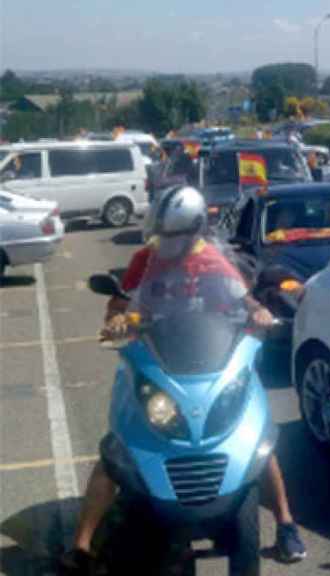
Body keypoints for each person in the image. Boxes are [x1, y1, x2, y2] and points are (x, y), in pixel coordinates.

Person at [61, 186, 306, 573]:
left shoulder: (213, 263)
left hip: (213, 365)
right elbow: (119, 304)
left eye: (172, 237)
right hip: (157, 365)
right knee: (115, 451)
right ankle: (82, 544)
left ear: (193, 232)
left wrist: (259, 313)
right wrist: (118, 320)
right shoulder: (146, 259)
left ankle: (287, 525)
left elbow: (247, 301)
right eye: (161, 235)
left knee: (259, 443)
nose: (165, 244)